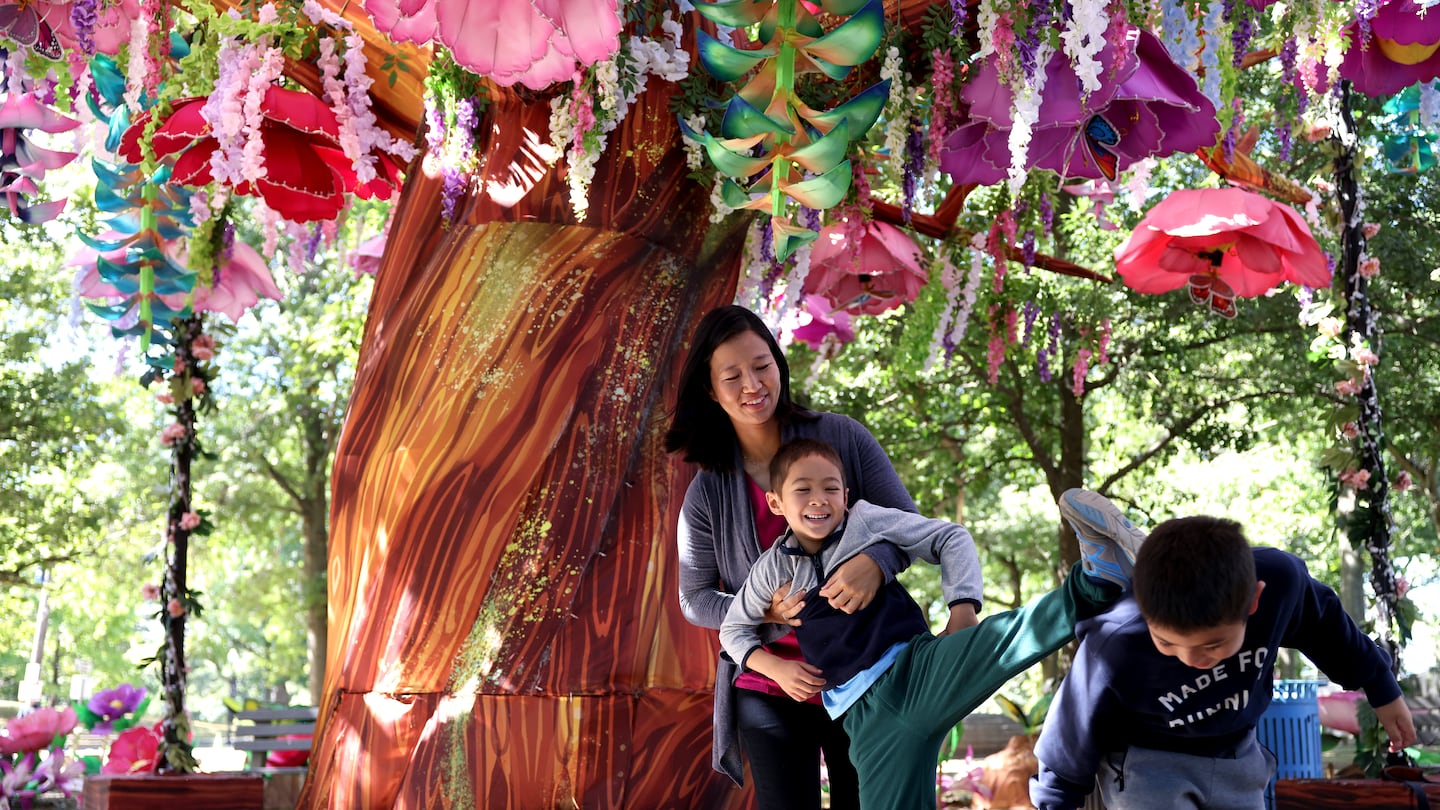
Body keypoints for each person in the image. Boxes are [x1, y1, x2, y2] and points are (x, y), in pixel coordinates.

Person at [720, 439, 1140, 810]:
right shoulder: (771, 569)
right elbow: (733, 630)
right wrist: (772, 666)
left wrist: (962, 608)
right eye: (803, 490)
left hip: (917, 669)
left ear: (846, 496)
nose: (819, 499)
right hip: (866, 723)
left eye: (830, 488)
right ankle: (1097, 582)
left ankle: (1097, 580)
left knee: (1007, 638)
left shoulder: (865, 522)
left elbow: (949, 537)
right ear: (776, 503)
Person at [665, 305, 952, 810]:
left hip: (866, 673)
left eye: (762, 365)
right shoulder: (707, 493)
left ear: (780, 364)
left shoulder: (842, 437)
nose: (752, 384)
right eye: (732, 375)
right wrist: (761, 611)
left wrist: (876, 563)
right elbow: (694, 598)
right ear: (712, 391)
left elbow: (910, 527)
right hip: (770, 680)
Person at [1030, 490, 1420, 810]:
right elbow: (1069, 730)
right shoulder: (1116, 643)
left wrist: (1381, 687)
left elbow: (1328, 626)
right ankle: (1105, 574)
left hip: (1237, 754)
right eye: (1167, 642)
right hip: (1148, 761)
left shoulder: (1280, 582)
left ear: (1253, 601)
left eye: (1213, 644)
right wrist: (1054, 801)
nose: (1190, 659)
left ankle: (1123, 559)